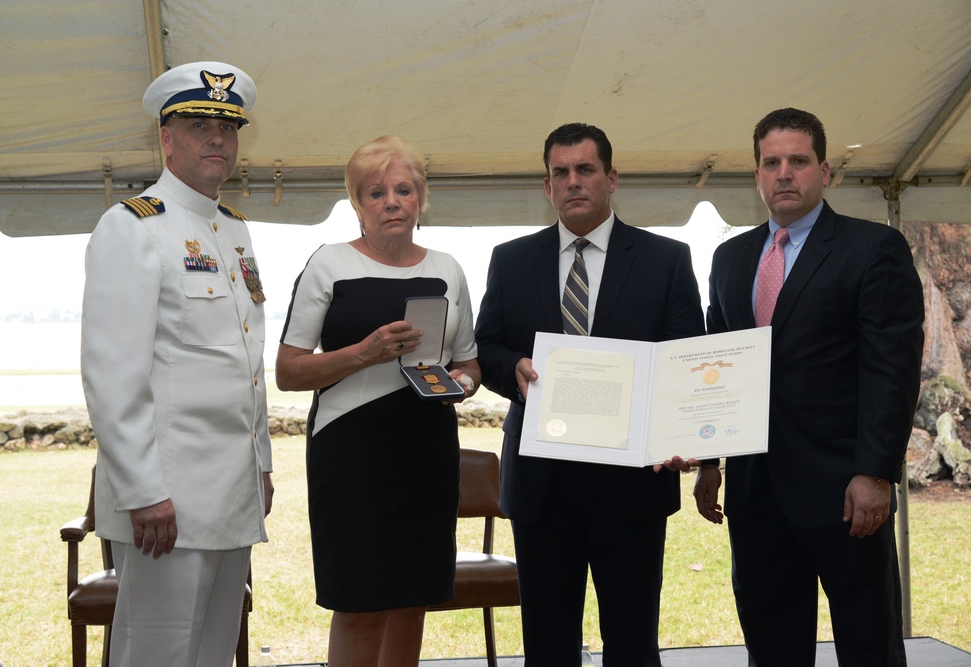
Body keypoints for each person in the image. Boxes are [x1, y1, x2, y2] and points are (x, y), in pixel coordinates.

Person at [695, 108, 924, 666]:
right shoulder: (730, 259)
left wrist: (874, 473)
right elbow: (715, 369)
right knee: (772, 648)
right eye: (771, 163)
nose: (784, 174)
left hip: (846, 494)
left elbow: (891, 372)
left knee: (869, 646)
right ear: (756, 175)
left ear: (824, 171)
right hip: (755, 495)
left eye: (797, 161)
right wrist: (708, 461)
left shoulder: (873, 248)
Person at [475, 122, 705, 666]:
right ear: (547, 185)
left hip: (632, 484)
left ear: (612, 178)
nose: (573, 181)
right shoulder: (511, 259)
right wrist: (515, 369)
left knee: (632, 642)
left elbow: (686, 361)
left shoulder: (666, 259)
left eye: (585, 169)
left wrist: (687, 442)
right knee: (547, 645)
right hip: (542, 483)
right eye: (561, 172)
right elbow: (485, 347)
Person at [81, 61, 274, 666]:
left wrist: (261, 464)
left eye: (227, 127)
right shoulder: (133, 228)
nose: (217, 139)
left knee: (213, 652)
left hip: (232, 491)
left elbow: (247, 361)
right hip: (166, 499)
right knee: (156, 653)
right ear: (166, 139)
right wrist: (143, 492)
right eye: (199, 126)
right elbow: (113, 375)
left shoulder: (235, 231)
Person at [275, 135, 481, 667]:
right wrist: (364, 353)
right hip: (351, 453)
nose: (392, 202)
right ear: (357, 204)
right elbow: (288, 372)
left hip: (427, 451)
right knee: (360, 605)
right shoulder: (329, 263)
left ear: (421, 199)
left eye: (403, 190)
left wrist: (462, 382)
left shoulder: (449, 268)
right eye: (376, 193)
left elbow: (470, 362)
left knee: (413, 602)